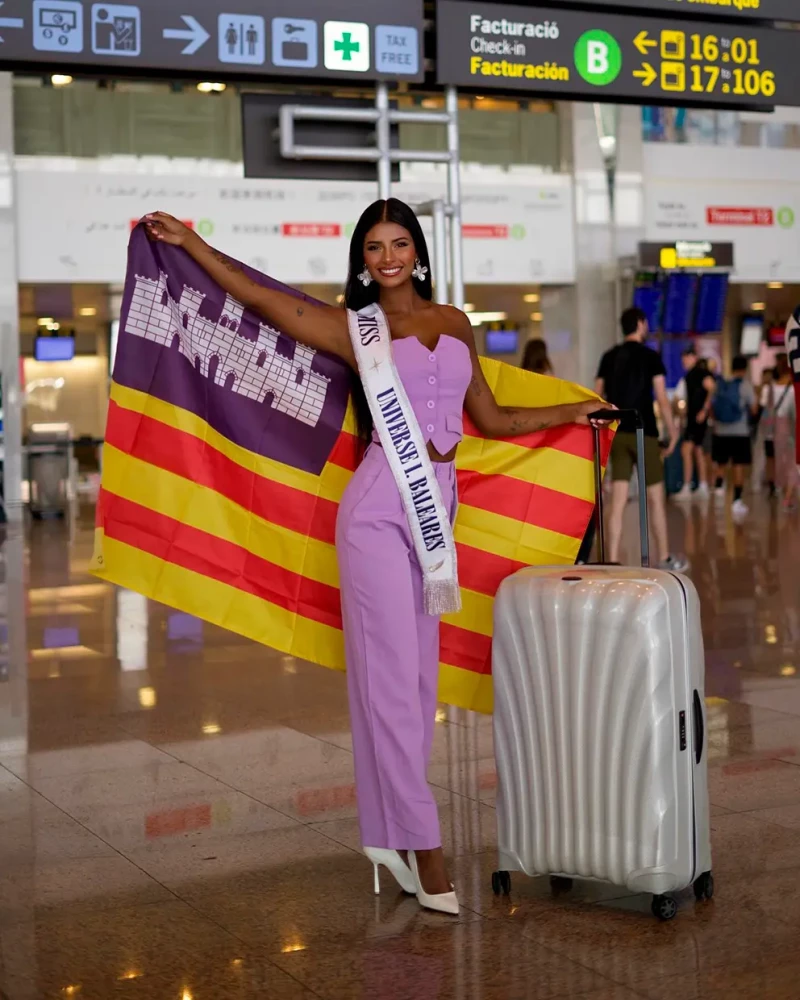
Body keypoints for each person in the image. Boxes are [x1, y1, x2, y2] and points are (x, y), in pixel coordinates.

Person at [143, 200, 607, 915]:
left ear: (416, 251)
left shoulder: (456, 324)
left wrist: (571, 415)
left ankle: (386, 832)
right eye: (374, 247)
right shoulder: (352, 327)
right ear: (363, 260)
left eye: (398, 244)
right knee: (391, 684)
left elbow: (488, 420)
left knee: (416, 687)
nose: (387, 257)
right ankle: (425, 849)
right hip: (377, 509)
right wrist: (195, 244)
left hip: (438, 511)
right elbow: (262, 296)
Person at [595, 307, 686, 570]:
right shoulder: (650, 356)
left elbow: (597, 394)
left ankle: (611, 559)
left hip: (617, 433)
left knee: (618, 499)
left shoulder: (609, 357)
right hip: (644, 432)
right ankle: (665, 558)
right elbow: (661, 397)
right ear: (640, 324)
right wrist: (673, 431)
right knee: (656, 498)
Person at [712, 354, 759, 518]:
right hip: (740, 432)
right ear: (744, 369)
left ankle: (718, 490)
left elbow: (713, 407)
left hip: (721, 431)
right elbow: (753, 408)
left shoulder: (722, 384)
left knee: (721, 463)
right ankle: (737, 501)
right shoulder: (745, 385)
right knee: (738, 465)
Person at [673, 346, 713, 501]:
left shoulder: (700, 374)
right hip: (694, 418)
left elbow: (711, 388)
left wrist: (704, 409)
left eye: (686, 358)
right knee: (697, 450)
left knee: (687, 449)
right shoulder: (690, 376)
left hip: (697, 419)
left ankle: (688, 484)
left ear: (693, 357)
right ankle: (701, 485)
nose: (684, 362)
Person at [772, 353, 798, 512]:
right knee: (793, 464)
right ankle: (789, 497)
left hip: (777, 427)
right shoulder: (794, 387)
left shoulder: (773, 386)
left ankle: (785, 493)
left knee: (783, 461)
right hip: (792, 426)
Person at [758, 366, 777, 497]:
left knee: (770, 458)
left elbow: (762, 404)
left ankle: (772, 483)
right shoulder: (783, 387)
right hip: (783, 426)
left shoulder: (766, 389)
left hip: (769, 427)